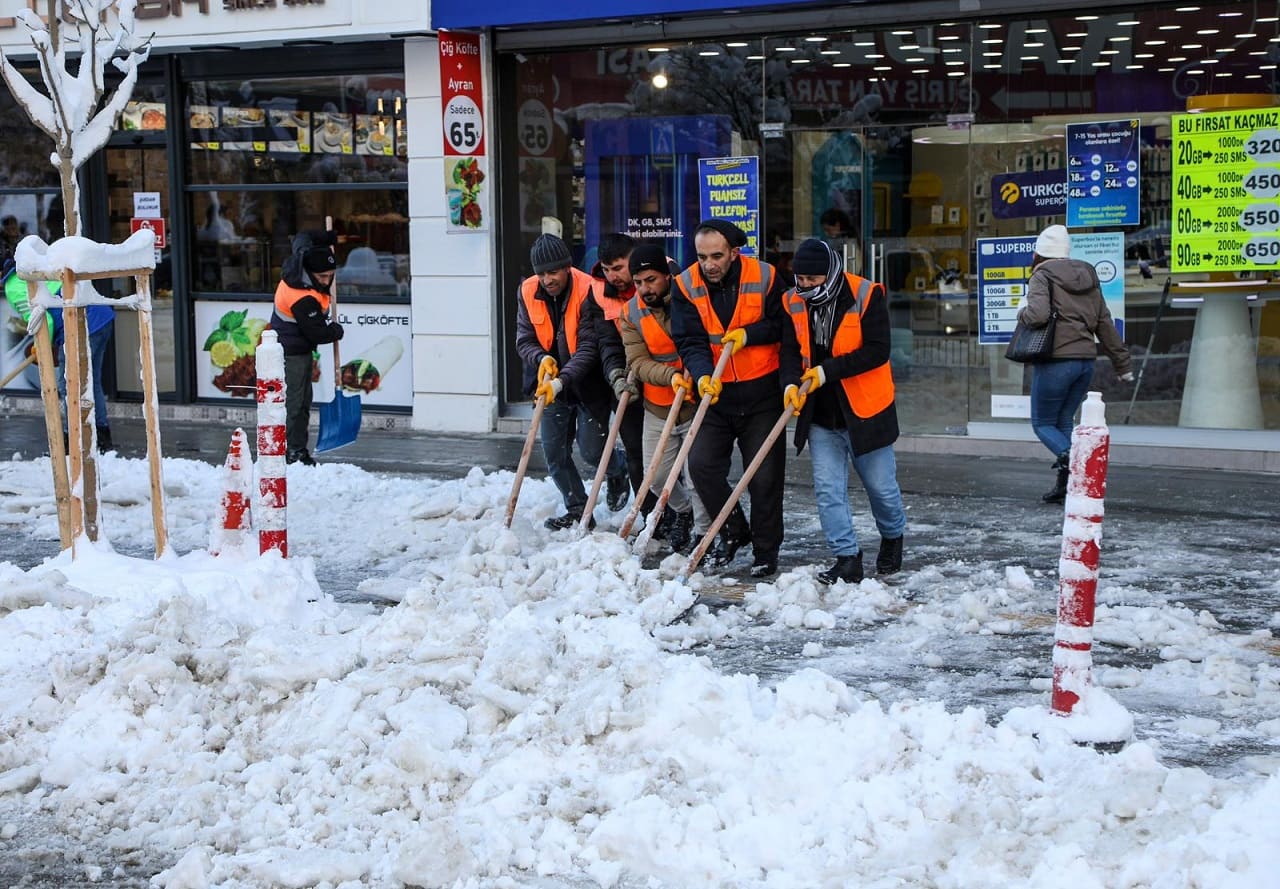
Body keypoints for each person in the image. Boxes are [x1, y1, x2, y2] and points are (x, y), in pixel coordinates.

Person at [780, 239, 906, 585]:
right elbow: (790, 350)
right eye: (800, 278)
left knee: (881, 487)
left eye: (812, 279)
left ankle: (893, 536)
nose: (804, 286)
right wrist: (790, 383)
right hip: (821, 415)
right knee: (828, 489)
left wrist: (827, 371)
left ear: (831, 272)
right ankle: (847, 557)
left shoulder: (866, 295)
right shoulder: (793, 301)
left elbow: (878, 351)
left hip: (866, 410)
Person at [670, 220, 789, 578]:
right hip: (717, 395)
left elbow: (783, 325)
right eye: (702, 256)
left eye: (717, 256)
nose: (709, 264)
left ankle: (767, 551)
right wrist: (704, 374)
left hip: (761, 393)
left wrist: (748, 334)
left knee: (765, 477)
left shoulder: (766, 277)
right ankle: (734, 529)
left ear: (734, 253)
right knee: (702, 466)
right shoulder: (685, 285)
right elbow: (689, 339)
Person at [515, 233, 626, 530]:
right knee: (554, 452)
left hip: (588, 383)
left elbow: (590, 348)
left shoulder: (590, 289)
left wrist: (562, 380)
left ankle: (618, 470)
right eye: (541, 273)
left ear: (566, 267)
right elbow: (523, 339)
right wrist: (541, 358)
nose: (547, 279)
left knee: (591, 450)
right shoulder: (527, 291)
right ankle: (577, 507)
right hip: (549, 382)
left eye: (553, 272)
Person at [1019, 225, 1133, 504]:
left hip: (1056, 361)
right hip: (1084, 362)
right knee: (1063, 422)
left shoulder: (1042, 275)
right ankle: (1067, 487)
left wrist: (1022, 312)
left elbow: (1037, 315)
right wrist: (1122, 363)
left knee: (1043, 424)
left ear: (1039, 252)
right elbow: (1104, 323)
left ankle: (1079, 465)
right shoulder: (1089, 277)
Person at [620, 243, 703, 554]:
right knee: (655, 477)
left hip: (694, 402)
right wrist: (669, 376)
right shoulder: (630, 313)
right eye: (638, 282)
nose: (644, 289)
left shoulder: (691, 300)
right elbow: (637, 362)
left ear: (667, 275)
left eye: (651, 280)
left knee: (698, 477)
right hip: (657, 405)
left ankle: (704, 532)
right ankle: (683, 511)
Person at [4, 259, 116, 451]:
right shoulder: (32, 268)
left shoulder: (14, 286)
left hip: (80, 325)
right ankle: (102, 437)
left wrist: (41, 347)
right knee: (91, 380)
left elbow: (43, 320)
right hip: (101, 317)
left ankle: (70, 440)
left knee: (67, 385)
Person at [270, 230, 344, 466]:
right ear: (310, 273)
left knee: (302, 402)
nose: (326, 281)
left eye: (330, 275)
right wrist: (336, 331)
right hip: (291, 353)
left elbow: (301, 238)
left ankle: (296, 448)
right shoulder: (302, 297)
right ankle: (293, 452)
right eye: (322, 277)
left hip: (300, 349)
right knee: (296, 403)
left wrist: (326, 238)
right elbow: (318, 333)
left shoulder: (301, 262)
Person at [584, 232, 641, 516]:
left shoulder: (664, 273)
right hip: (626, 379)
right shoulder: (598, 291)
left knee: (667, 455)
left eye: (619, 268)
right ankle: (648, 515)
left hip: (666, 376)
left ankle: (677, 515)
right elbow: (606, 340)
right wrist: (616, 376)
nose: (613, 276)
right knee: (635, 453)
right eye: (607, 270)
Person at [820, 207, 862, 276]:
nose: (826, 233)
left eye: (828, 229)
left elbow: (855, 268)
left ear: (837, 225)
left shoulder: (849, 242)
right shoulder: (838, 242)